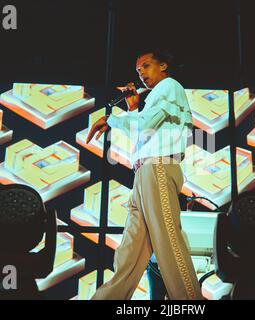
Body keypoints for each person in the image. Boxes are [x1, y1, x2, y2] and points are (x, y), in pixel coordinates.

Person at [86, 49, 203, 300]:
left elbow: (147, 124)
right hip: (144, 172)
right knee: (131, 251)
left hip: (157, 168)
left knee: (168, 238)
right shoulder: (154, 97)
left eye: (146, 66)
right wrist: (132, 110)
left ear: (163, 66)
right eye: (138, 71)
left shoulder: (169, 85)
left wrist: (112, 119)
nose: (141, 74)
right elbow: (144, 133)